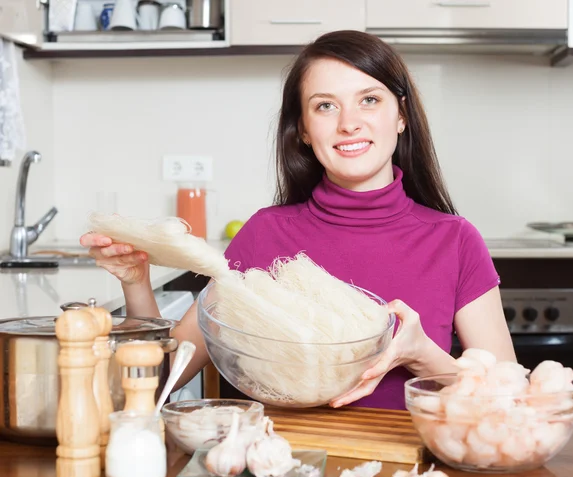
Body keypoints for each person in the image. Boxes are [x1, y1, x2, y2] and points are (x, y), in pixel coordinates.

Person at [81, 30, 516, 411]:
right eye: (325, 106)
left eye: (369, 99)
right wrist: (135, 281)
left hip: (409, 475)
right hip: (280, 472)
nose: (350, 123)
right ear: (304, 129)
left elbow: (509, 402)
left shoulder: (455, 241)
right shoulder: (265, 234)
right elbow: (163, 378)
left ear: (400, 115)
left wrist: (422, 355)